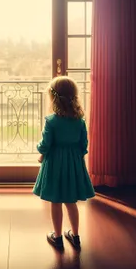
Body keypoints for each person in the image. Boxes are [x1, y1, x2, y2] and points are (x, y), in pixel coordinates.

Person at [33, 76, 95, 250]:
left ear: (53, 98)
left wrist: (40, 151)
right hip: (74, 163)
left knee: (56, 200)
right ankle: (75, 236)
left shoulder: (51, 121)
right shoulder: (80, 121)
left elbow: (45, 145)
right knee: (71, 201)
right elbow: (84, 144)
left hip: (55, 164)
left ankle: (58, 236)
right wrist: (77, 157)